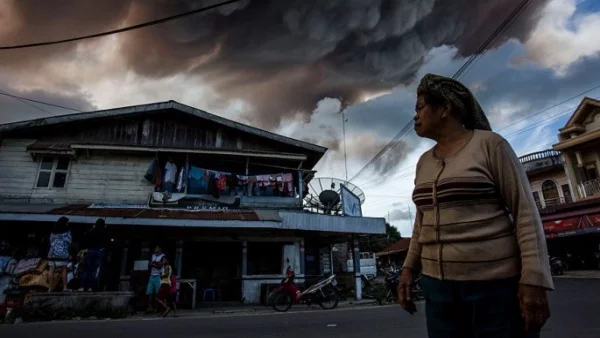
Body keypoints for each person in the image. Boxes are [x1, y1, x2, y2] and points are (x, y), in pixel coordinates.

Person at [398, 73, 553, 337]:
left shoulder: (491, 145)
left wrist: (534, 280)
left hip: (494, 287)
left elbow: (525, 213)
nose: (415, 116)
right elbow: (422, 221)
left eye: (420, 107)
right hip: (438, 290)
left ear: (445, 108)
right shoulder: (424, 162)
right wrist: (408, 269)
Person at [79, 218, 109, 292]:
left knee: (86, 269)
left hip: (90, 250)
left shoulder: (91, 231)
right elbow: (106, 241)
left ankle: (82, 286)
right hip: (99, 251)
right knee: (94, 270)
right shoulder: (103, 232)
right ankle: (91, 287)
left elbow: (85, 236)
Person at [47, 216, 72, 292]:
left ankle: (50, 288)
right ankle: (65, 287)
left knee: (51, 269)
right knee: (64, 269)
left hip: (52, 253)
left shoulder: (53, 231)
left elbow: (50, 241)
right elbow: (69, 242)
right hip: (62, 254)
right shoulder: (67, 232)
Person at [146, 245, 165, 313]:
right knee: (149, 292)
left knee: (158, 293)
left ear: (160, 249)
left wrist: (153, 264)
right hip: (152, 275)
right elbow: (148, 263)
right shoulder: (153, 256)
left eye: (156, 248)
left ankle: (157, 308)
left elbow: (160, 266)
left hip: (159, 276)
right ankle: (150, 307)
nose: (155, 249)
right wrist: (155, 264)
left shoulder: (163, 256)